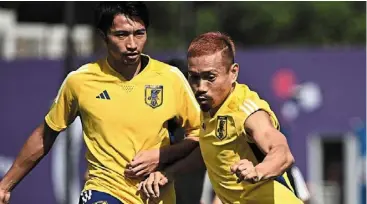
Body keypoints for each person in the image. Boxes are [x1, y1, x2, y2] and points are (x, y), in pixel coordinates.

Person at [0, 2, 201, 204]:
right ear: (104, 36)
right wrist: (5, 186)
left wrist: (162, 156)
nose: (132, 44)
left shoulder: (170, 78)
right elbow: (46, 134)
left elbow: (200, 136)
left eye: (139, 33)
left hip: (155, 196)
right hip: (103, 190)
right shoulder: (80, 81)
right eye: (121, 35)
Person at [138, 32, 303, 204]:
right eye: (194, 77)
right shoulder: (208, 108)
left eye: (210, 77)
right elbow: (209, 150)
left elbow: (282, 154)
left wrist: (258, 171)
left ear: (233, 73)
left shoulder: (247, 111)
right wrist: (169, 174)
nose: (200, 87)